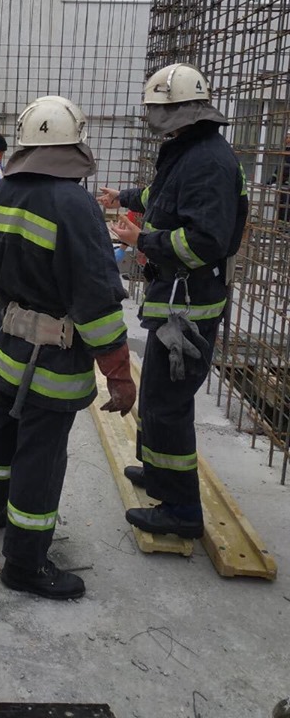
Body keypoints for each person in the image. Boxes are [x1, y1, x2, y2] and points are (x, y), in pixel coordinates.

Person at [0, 95, 136, 600]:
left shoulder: (2, 193)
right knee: (41, 454)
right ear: (74, 148)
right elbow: (98, 301)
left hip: (1, 345)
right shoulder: (74, 206)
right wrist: (119, 373)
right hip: (53, 361)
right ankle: (26, 562)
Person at [99, 63, 248, 540]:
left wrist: (147, 240)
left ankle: (181, 511)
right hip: (177, 297)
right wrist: (121, 197)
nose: (151, 118)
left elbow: (207, 239)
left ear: (177, 112)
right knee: (162, 397)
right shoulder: (190, 151)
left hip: (190, 306)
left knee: (167, 403)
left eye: (156, 110)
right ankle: (159, 473)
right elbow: (160, 195)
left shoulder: (207, 161)